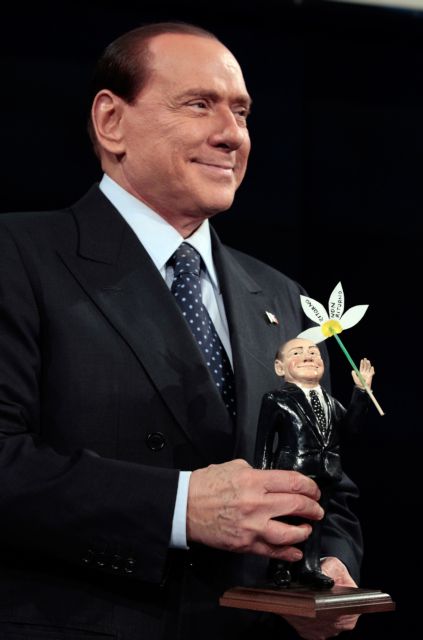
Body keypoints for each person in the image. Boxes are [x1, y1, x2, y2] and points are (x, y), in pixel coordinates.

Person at [0, 22, 362, 640]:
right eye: (199, 104)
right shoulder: (18, 256)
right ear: (112, 122)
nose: (231, 134)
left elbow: (328, 485)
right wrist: (179, 507)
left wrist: (327, 567)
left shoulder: (281, 297)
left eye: (241, 112)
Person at [255, 338, 374, 590]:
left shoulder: (331, 402)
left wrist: (361, 392)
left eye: (313, 352)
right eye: (297, 352)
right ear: (280, 367)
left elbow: (350, 431)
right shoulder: (276, 399)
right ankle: (280, 565)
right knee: (286, 521)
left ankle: (310, 566)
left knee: (316, 522)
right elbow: (264, 443)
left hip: (326, 473)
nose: (308, 356)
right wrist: (260, 480)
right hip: (290, 474)